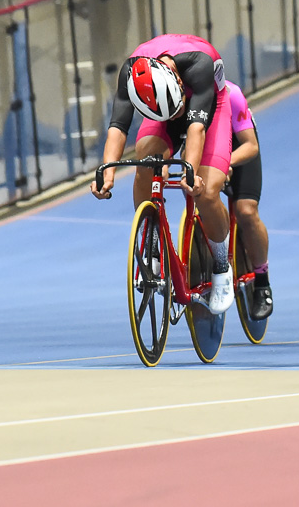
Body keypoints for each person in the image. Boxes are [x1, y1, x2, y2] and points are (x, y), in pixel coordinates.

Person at [90, 33, 235, 315]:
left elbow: (196, 129)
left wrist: (190, 174)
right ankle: (151, 240)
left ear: (179, 82)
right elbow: (118, 128)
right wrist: (106, 172)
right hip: (161, 108)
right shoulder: (131, 74)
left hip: (210, 108)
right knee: (146, 162)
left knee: (205, 191)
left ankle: (221, 265)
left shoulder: (200, 64)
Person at [226, 80, 273, 319]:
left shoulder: (231, 94)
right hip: (204, 145)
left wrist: (226, 162)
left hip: (240, 145)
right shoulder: (177, 97)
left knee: (245, 210)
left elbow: (250, 145)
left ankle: (262, 281)